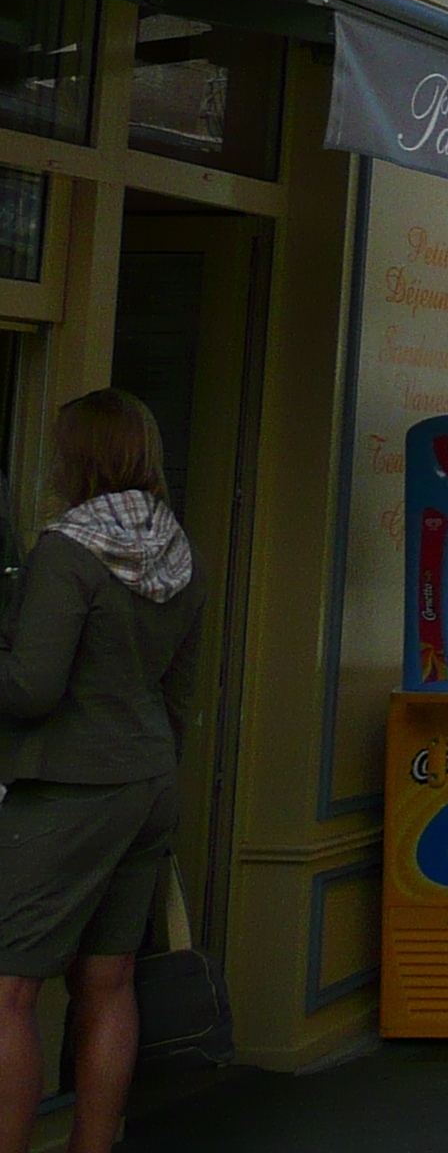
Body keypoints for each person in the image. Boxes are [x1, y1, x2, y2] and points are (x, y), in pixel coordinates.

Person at [0, 392, 206, 1153]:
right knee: (108, 984)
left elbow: (31, 688)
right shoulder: (177, 549)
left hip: (65, 790)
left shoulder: (67, 551)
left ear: (76, 455)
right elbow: (180, 691)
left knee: (7, 991)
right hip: (147, 780)